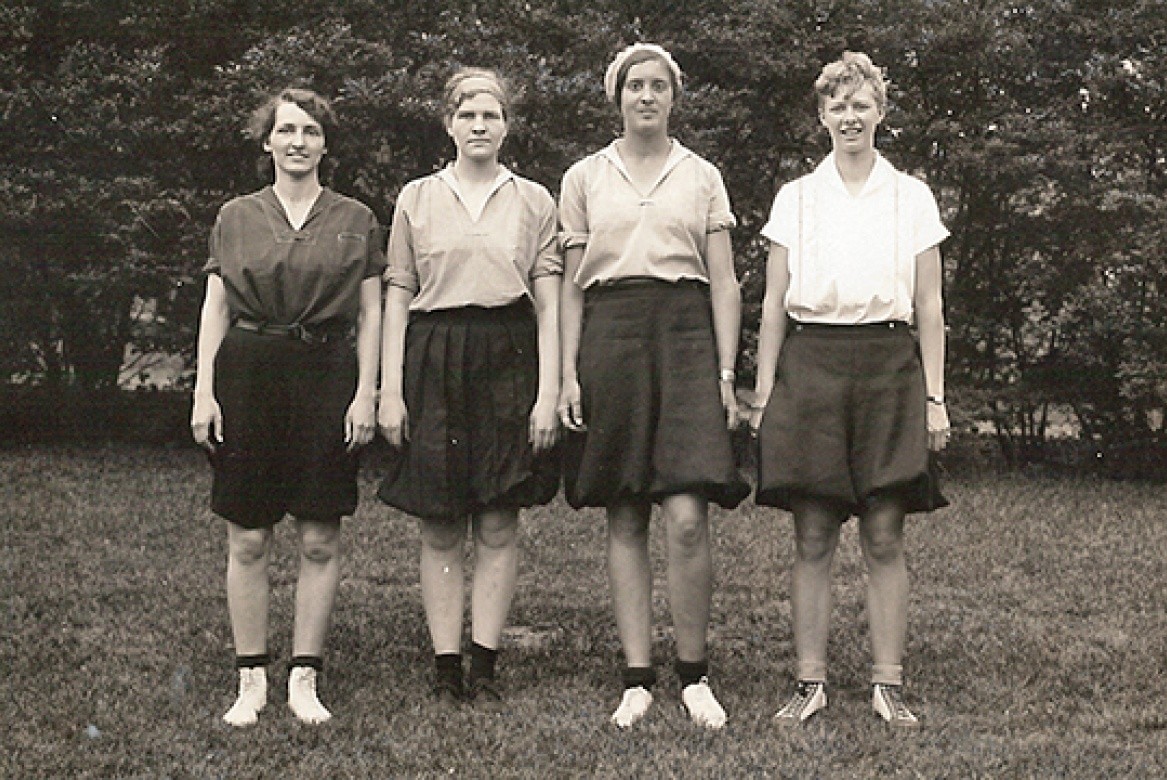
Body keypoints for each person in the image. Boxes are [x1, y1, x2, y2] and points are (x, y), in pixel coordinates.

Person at [751, 51, 950, 729]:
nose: (849, 115)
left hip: (890, 365)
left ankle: (887, 684)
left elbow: (929, 306)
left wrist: (935, 397)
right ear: (821, 117)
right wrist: (762, 389)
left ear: (881, 112)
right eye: (837, 105)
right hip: (812, 364)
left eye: (860, 103)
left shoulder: (911, 196)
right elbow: (774, 302)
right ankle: (809, 683)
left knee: (885, 533)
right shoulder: (797, 197)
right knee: (812, 532)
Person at [558, 43, 749, 730]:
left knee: (689, 515)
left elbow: (723, 282)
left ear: (674, 96)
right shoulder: (584, 176)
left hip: (687, 335)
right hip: (610, 334)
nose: (646, 96)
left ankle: (694, 676)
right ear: (617, 97)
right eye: (634, 85)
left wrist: (728, 374)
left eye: (658, 85)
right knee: (625, 510)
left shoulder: (701, 175)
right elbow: (571, 288)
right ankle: (638, 677)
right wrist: (566, 375)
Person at [191, 87, 383, 726]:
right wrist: (203, 390)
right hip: (248, 370)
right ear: (266, 140)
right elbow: (216, 306)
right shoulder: (237, 215)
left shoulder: (355, 217)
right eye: (285, 130)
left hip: (327, 371)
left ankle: (305, 676)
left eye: (309, 131)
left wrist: (367, 391)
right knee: (247, 534)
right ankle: (251, 679)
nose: (297, 141)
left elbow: (373, 311)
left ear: (325, 144)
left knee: (320, 533)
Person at [377, 68, 561, 710]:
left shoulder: (534, 200)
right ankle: (446, 662)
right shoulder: (417, 198)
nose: (479, 126)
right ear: (449, 123)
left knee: (500, 516)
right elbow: (398, 293)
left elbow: (548, 301)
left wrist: (547, 392)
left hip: (508, 352)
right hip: (433, 353)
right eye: (467, 115)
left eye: (492, 116)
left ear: (507, 125)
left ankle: (484, 660)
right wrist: (388, 389)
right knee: (439, 520)